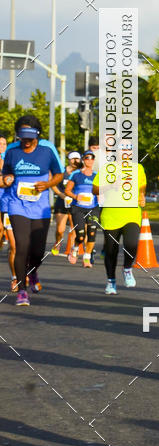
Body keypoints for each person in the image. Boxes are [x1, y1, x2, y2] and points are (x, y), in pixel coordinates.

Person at [0, 115, 63, 306]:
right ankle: (21, 290)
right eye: (22, 138)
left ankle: (32, 271)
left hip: (40, 206)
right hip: (16, 203)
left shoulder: (47, 149)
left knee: (37, 250)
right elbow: (5, 175)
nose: (26, 142)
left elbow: (59, 174)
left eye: (29, 138)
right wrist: (7, 179)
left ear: (37, 135)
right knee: (21, 245)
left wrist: (48, 184)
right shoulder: (11, 150)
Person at [92, 162, 146, 294]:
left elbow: (142, 186)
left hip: (131, 214)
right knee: (111, 251)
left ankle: (127, 268)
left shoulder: (137, 168)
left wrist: (142, 196)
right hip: (111, 215)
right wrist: (110, 186)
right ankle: (111, 281)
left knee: (132, 244)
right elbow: (95, 189)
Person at [65, 151, 100, 268]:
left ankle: (87, 258)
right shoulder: (75, 174)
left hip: (93, 208)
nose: (89, 160)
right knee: (80, 235)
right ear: (83, 160)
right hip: (78, 208)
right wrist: (76, 197)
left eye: (92, 158)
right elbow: (67, 190)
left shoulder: (97, 176)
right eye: (87, 158)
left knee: (92, 233)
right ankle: (74, 249)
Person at [51, 151, 81, 255]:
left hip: (75, 203)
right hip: (61, 202)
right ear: (69, 160)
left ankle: (72, 250)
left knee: (74, 228)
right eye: (73, 158)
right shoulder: (62, 172)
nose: (75, 161)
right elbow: (53, 184)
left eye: (77, 159)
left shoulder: (80, 173)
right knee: (60, 229)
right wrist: (61, 195)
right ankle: (58, 242)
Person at [0, 134, 17, 290]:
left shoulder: (12, 162)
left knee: (15, 246)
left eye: (4, 144)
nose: (1, 146)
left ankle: (15, 277)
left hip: (9, 206)